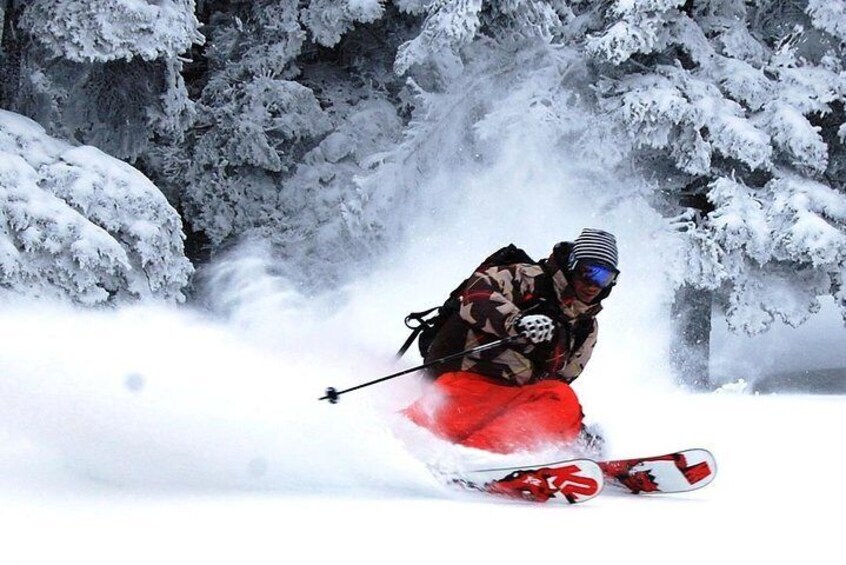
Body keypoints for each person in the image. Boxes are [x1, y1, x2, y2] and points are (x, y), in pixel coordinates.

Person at [403, 228, 619, 455]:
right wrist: (516, 322)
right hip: (460, 388)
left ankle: (556, 454)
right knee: (561, 398)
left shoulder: (585, 328)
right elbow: (475, 294)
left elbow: (557, 383)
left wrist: (570, 429)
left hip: (505, 406)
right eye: (589, 272)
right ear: (573, 265)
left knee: (562, 402)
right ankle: (477, 456)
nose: (594, 284)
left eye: (605, 277)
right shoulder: (528, 280)